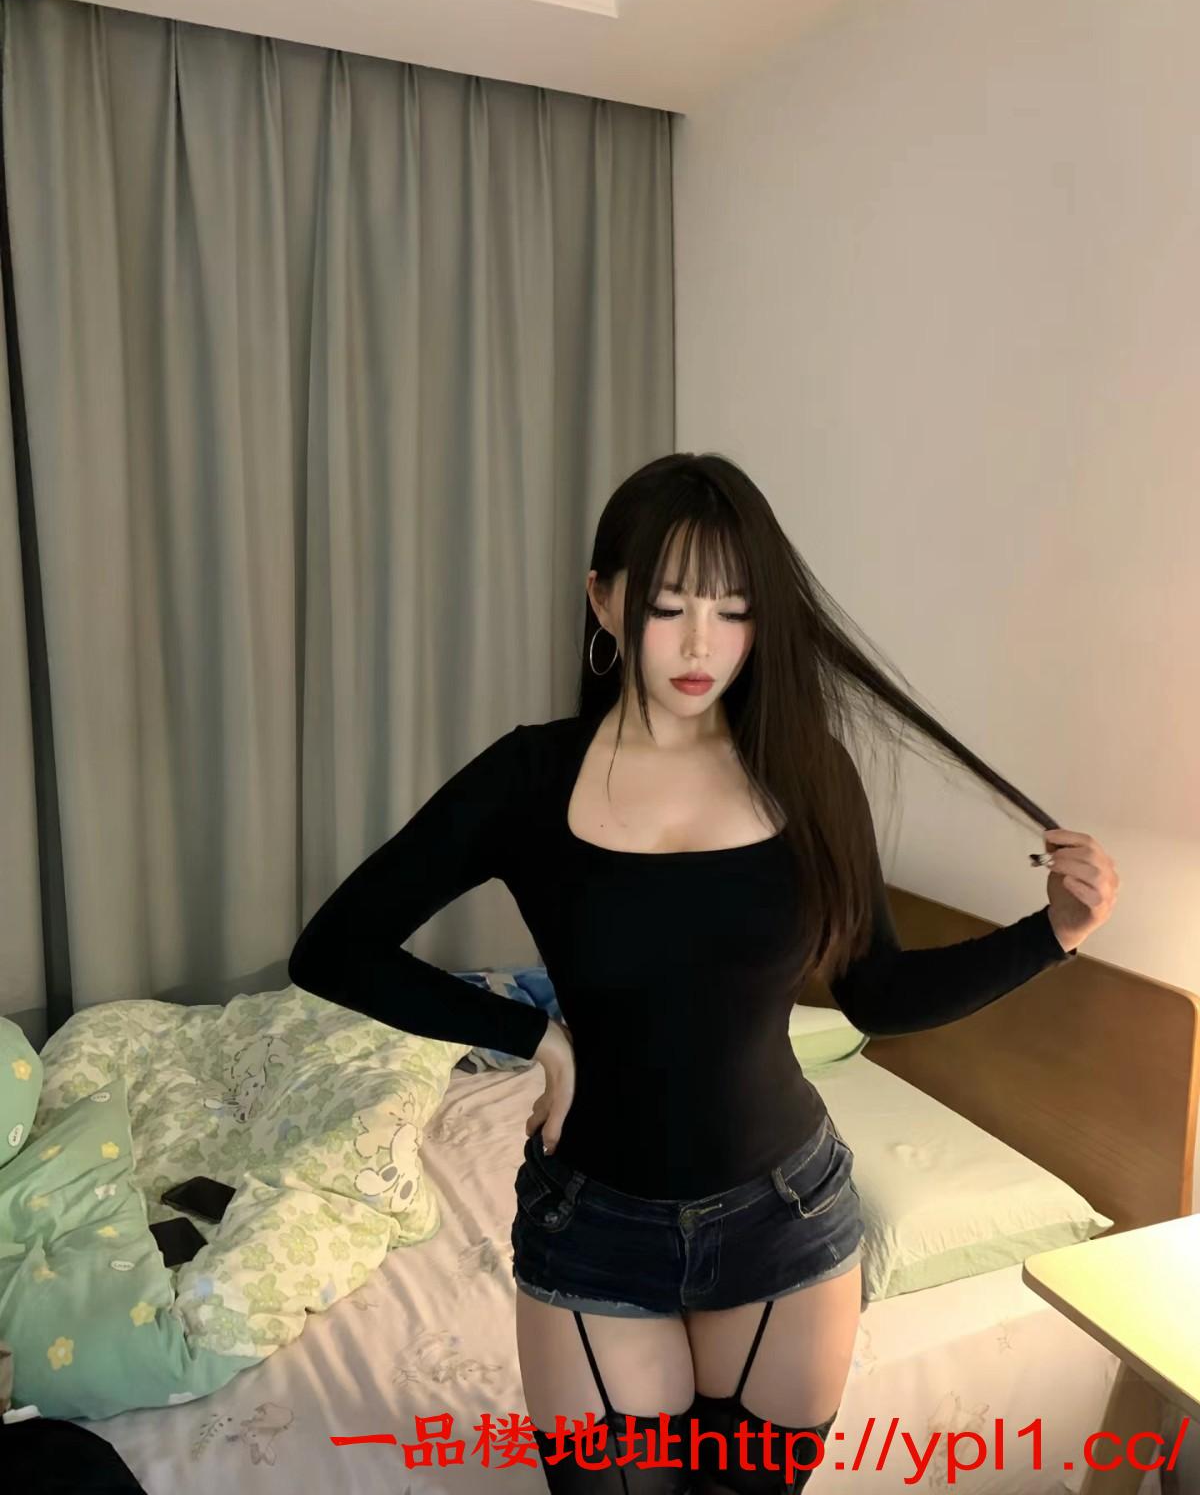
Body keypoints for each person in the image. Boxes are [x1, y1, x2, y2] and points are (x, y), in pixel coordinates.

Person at [288, 452, 1120, 1495]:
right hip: (593, 1227)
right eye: (669, 605)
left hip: (788, 1219)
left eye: (733, 610)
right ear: (604, 600)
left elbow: (878, 993)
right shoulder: (529, 777)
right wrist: (536, 1037)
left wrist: (1053, 933)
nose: (699, 644)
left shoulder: (810, 776)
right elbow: (335, 949)